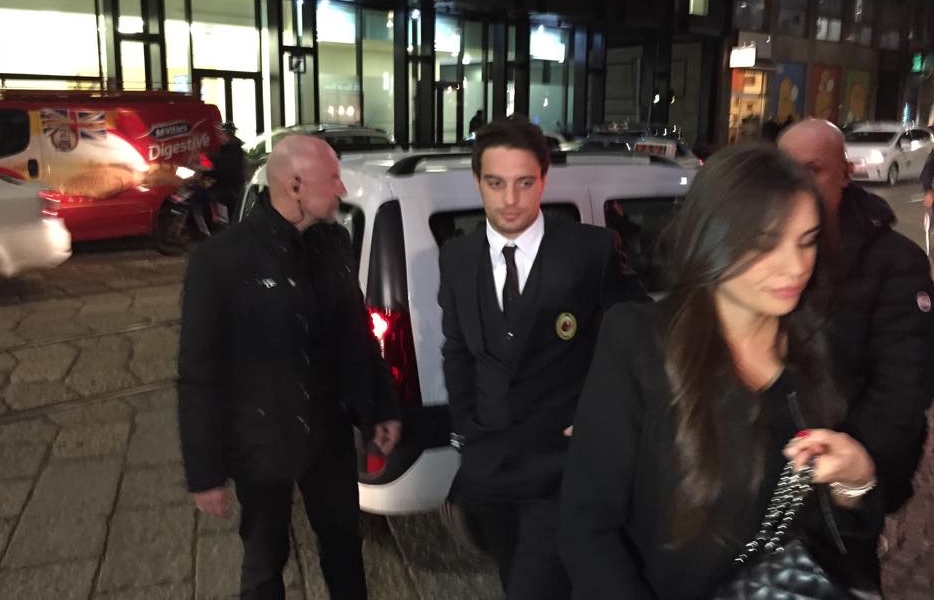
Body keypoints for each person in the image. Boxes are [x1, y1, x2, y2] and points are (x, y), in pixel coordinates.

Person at [559, 144, 883, 599]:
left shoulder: (822, 346)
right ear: (711, 238)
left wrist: (857, 481)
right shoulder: (639, 341)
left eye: (807, 241)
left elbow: (836, 541)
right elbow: (586, 526)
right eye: (766, 242)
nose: (796, 266)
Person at [178, 135, 401, 600]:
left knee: (344, 547)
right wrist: (205, 472)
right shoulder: (220, 261)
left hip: (329, 435)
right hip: (261, 443)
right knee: (264, 561)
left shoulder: (334, 243)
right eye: (332, 179)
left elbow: (357, 333)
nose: (341, 189)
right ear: (295, 186)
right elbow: (199, 374)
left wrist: (381, 406)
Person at [438, 117, 649, 599]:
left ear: (544, 180)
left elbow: (643, 334)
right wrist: (466, 429)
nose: (510, 199)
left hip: (561, 470)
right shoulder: (457, 257)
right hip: (489, 469)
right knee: (512, 577)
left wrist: (601, 411)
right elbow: (457, 350)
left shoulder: (590, 251)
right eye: (496, 183)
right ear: (477, 181)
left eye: (524, 183)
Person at [778, 119, 934, 556]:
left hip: (841, 482)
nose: (797, 184)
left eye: (813, 170)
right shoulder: (765, 248)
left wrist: (850, 476)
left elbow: (904, 386)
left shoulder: (896, 262)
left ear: (845, 174)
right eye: (785, 170)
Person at [210, 122, 247, 221]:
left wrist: (212, 171)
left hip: (232, 187)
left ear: (228, 135)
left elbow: (226, 168)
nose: (219, 137)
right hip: (226, 184)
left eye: (221, 134)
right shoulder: (225, 148)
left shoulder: (234, 150)